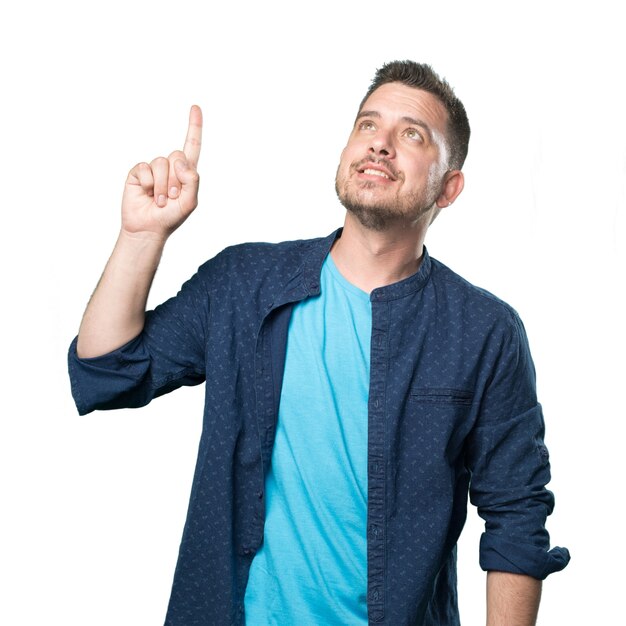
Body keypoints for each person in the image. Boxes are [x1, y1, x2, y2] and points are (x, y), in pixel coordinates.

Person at [68, 61, 570, 625]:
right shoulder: (244, 284)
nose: (380, 144)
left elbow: (516, 519)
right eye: (367, 125)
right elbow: (107, 370)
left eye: (411, 134)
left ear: (449, 187)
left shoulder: (483, 331)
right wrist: (142, 236)